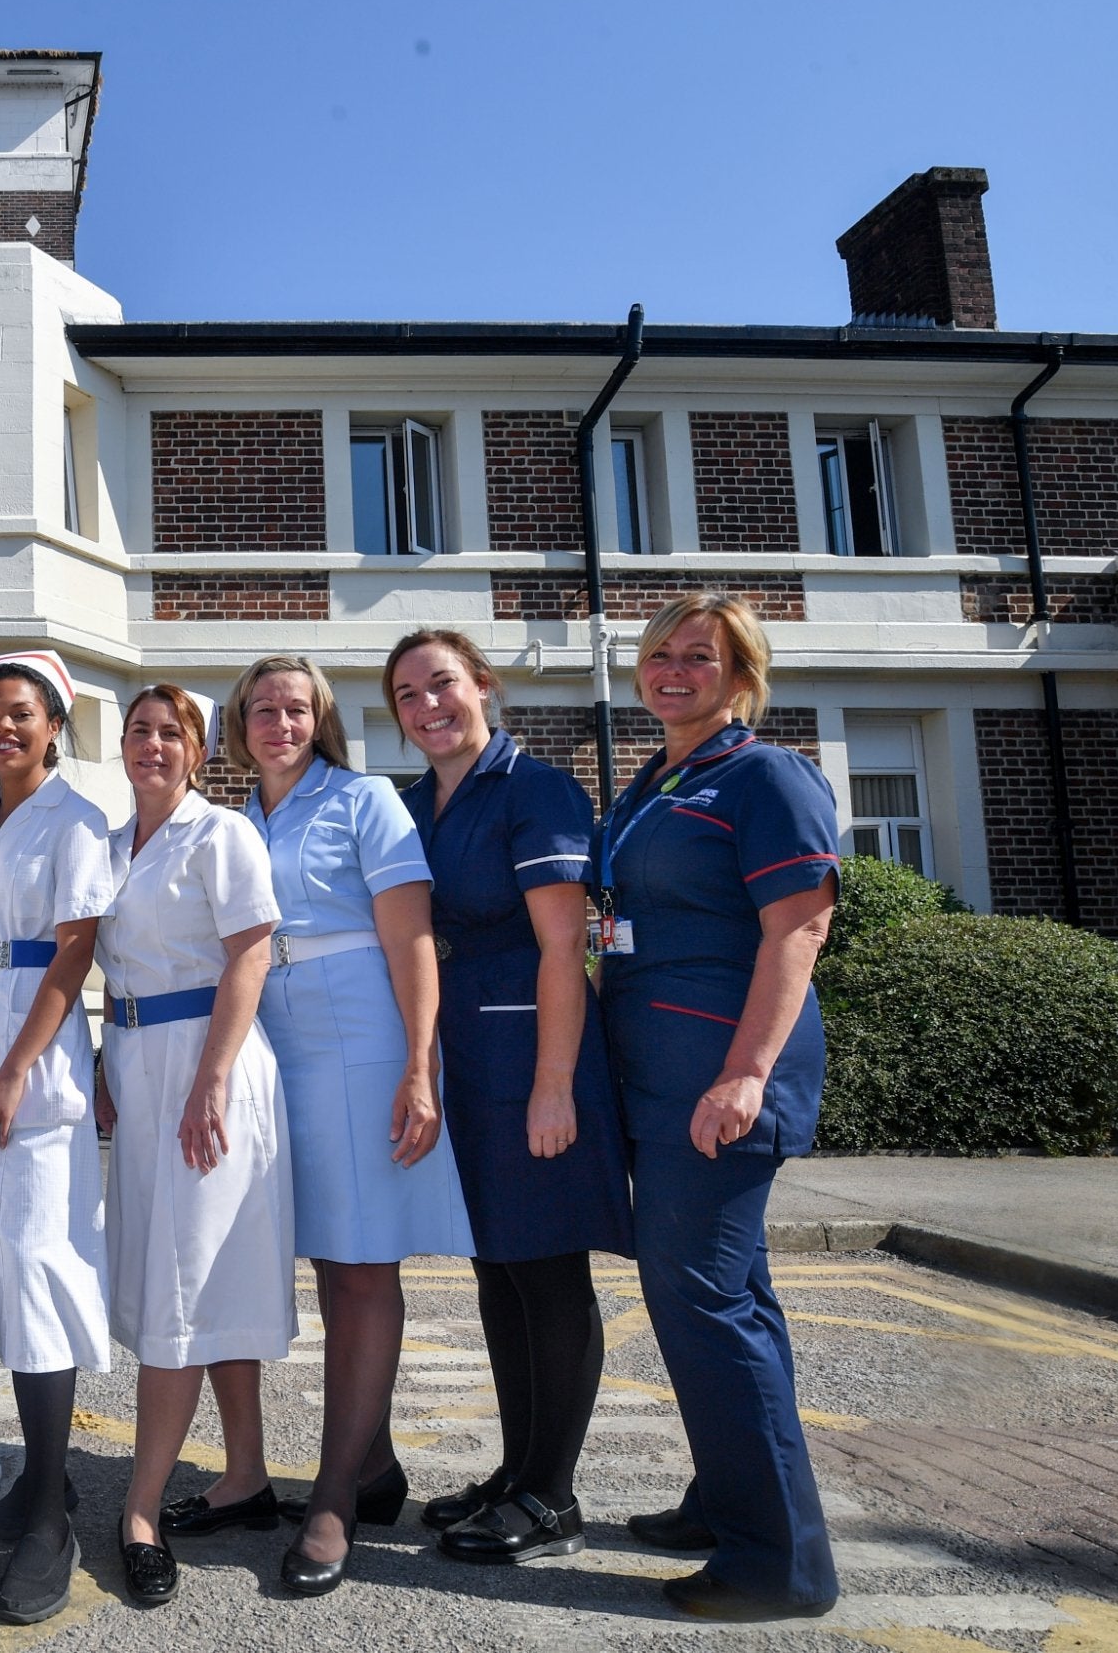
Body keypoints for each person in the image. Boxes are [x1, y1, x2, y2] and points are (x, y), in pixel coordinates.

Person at [598, 592, 842, 1623]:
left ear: (741, 674)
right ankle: (726, 1498)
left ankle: (776, 1562)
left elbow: (797, 929)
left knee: (699, 1300)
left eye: (698, 656)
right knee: (734, 1297)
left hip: (721, 1083)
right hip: (662, 1078)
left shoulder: (765, 775)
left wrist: (743, 1074)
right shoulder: (660, 777)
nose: (671, 670)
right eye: (658, 654)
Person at [218, 655, 468, 1596]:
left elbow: (410, 938)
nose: (279, 723)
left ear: (319, 720)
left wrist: (419, 1063)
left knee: (363, 1271)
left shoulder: (364, 800)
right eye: (262, 710)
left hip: (361, 1041)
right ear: (240, 725)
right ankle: (376, 1462)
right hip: (274, 1047)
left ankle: (332, 1498)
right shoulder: (238, 821)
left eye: (297, 709)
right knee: (332, 1263)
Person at [390, 630, 634, 1566]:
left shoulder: (534, 791)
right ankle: (516, 1472)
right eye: (408, 695)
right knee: (499, 1271)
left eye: (442, 684)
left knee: (548, 1274)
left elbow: (565, 951)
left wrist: (554, 1086)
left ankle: (553, 1496)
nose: (428, 707)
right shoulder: (419, 803)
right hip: (470, 1060)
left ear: (482, 686)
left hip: (534, 1058)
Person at [0, 650, 115, 1626]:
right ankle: (37, 1474)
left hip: (31, 1064)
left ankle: (49, 1515)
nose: (5, 727)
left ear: (54, 726)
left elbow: (74, 948)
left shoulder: (77, 820)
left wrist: (12, 1072)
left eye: (22, 714)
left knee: (41, 1265)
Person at [98, 685, 290, 1608]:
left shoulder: (222, 835)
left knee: (180, 1281)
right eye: (139, 730)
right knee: (197, 1272)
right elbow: (115, 969)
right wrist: (104, 1062)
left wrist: (210, 1078)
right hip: (137, 1063)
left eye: (171, 733)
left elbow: (250, 952)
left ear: (200, 750)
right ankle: (246, 1473)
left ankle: (138, 1510)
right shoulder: (110, 842)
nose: (152, 744)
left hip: (204, 1064)